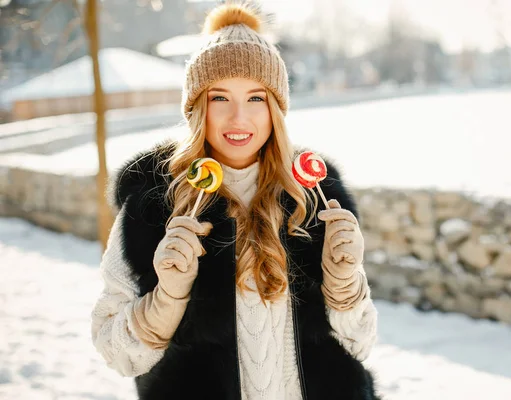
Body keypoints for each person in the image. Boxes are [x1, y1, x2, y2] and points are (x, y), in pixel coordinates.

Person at [91, 3, 379, 399]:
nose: (238, 117)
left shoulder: (316, 197)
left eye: (256, 98)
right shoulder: (152, 201)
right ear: (197, 106)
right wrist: (167, 298)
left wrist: (345, 286)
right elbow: (116, 352)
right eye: (220, 98)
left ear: (276, 108)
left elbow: (359, 345)